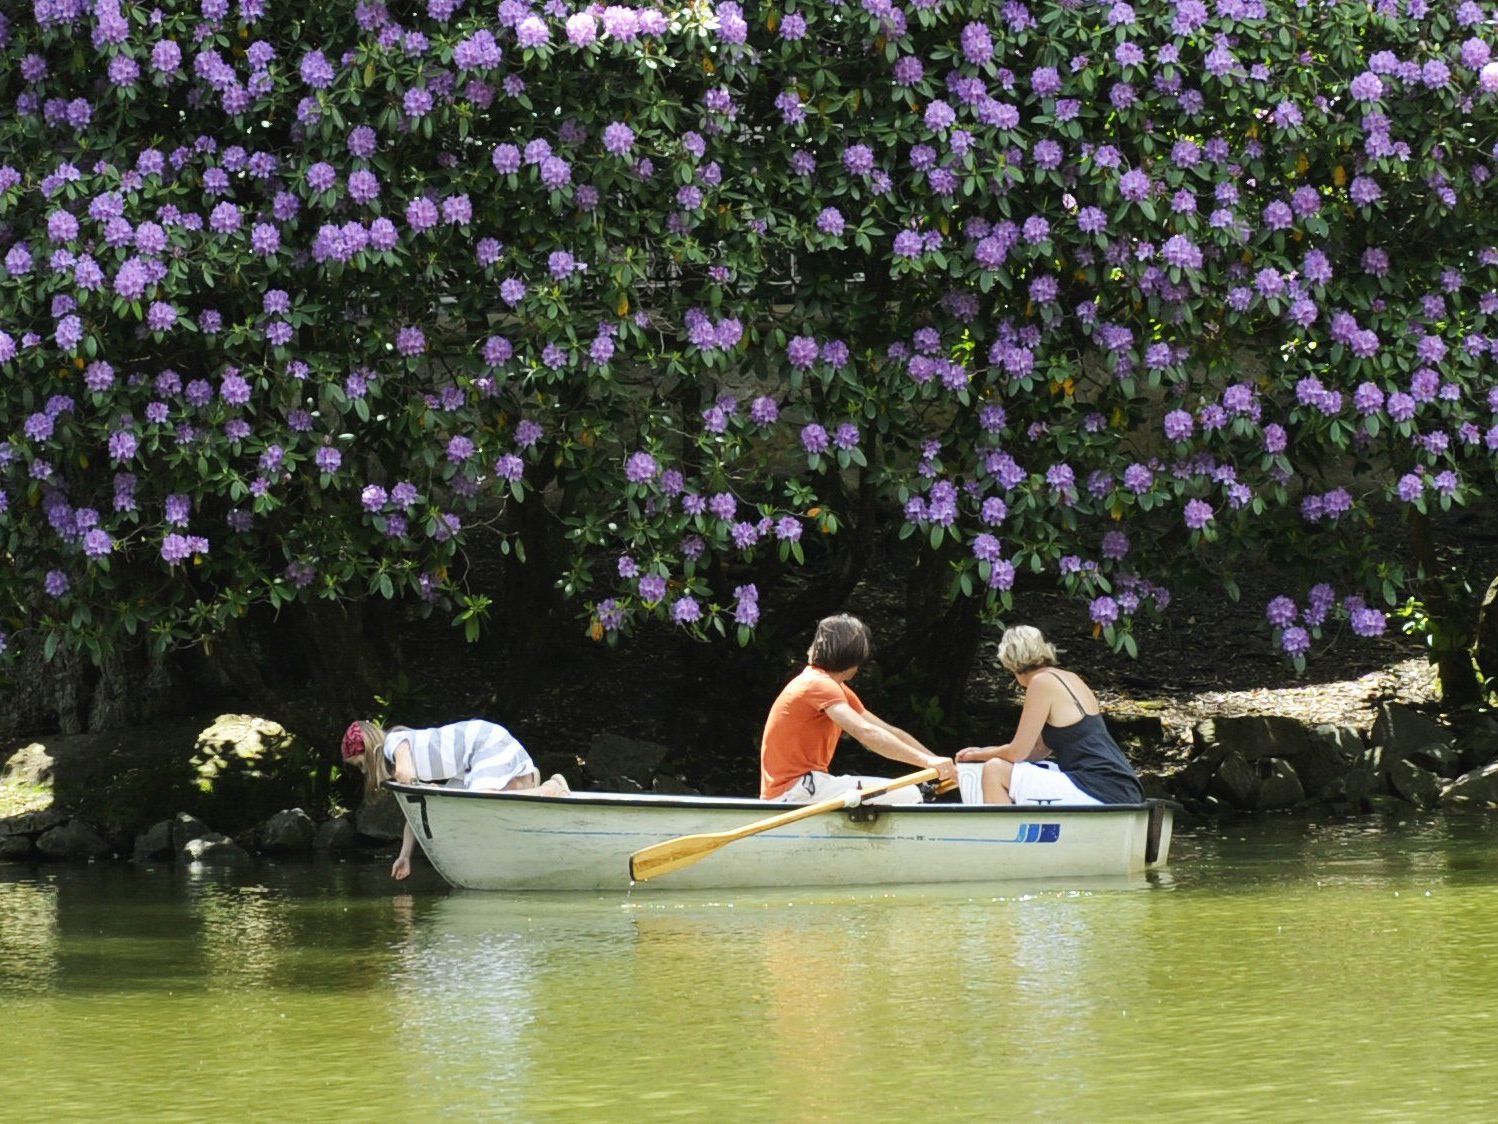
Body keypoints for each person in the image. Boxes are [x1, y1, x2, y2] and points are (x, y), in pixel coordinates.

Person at [760, 614, 957, 803]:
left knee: (906, 793)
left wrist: (939, 762)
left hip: (807, 787)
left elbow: (890, 732)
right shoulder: (818, 685)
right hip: (794, 791)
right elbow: (866, 733)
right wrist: (927, 762)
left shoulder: (832, 686)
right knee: (908, 795)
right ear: (854, 657)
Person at [341, 718, 571, 879]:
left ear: (371, 752)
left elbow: (405, 772)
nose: (363, 771)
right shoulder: (398, 758)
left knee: (480, 800)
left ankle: (548, 790)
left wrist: (415, 784)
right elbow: (416, 812)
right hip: (466, 763)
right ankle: (529, 791)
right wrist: (404, 856)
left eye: (362, 764)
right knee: (466, 802)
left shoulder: (394, 742)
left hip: (482, 742)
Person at [954, 625, 1145, 805]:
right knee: (1024, 767)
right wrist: (985, 752)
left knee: (994, 769)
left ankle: (1006, 837)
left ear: (1010, 663)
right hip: (1122, 785)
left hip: (1098, 785)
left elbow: (1017, 752)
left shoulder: (1040, 683)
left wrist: (979, 754)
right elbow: (1038, 750)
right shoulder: (1069, 677)